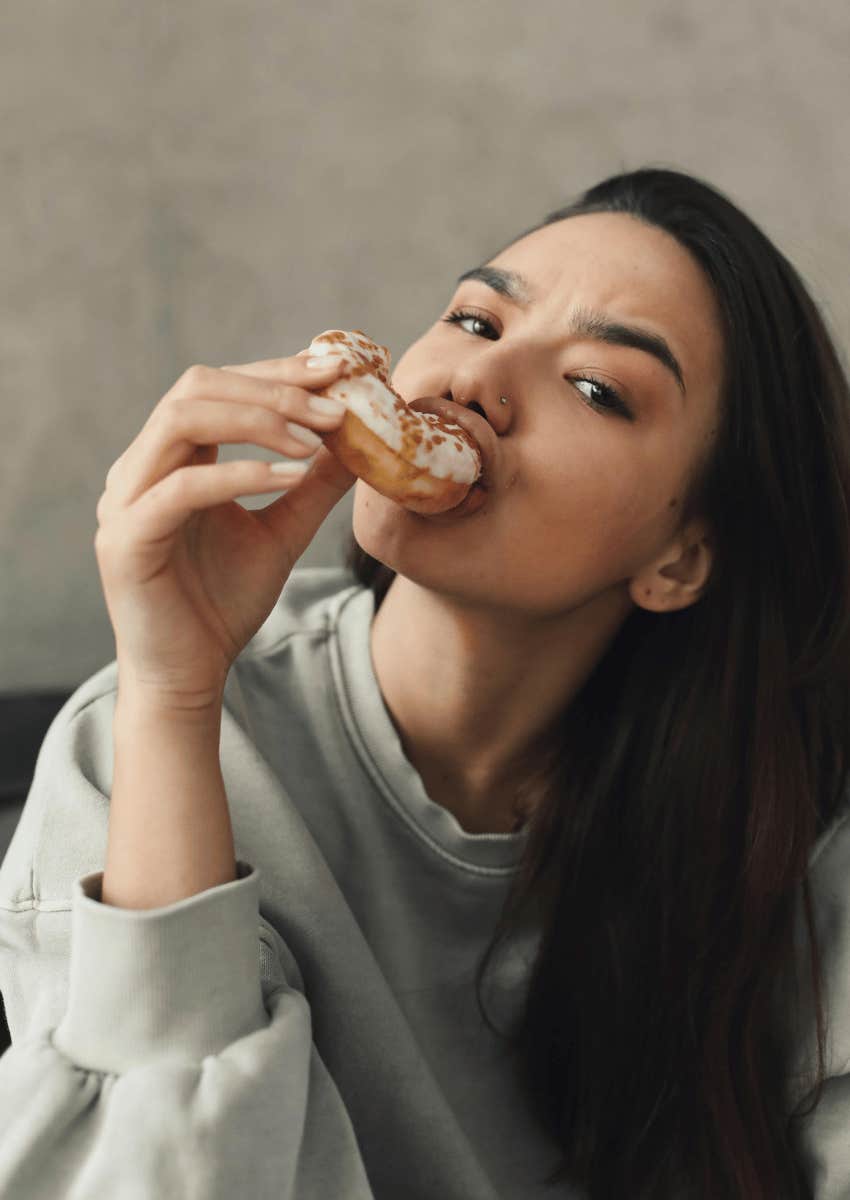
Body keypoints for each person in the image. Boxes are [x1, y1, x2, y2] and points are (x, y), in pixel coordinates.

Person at [0, 166, 847, 1199]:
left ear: (677, 558)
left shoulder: (782, 832)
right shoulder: (138, 744)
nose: (472, 383)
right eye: (477, 320)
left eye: (595, 387)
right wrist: (174, 696)